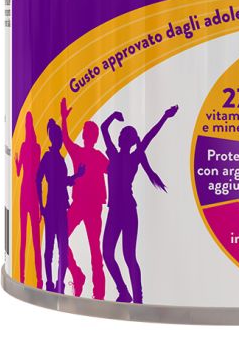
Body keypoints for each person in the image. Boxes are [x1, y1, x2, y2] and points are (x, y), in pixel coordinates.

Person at [101, 105, 178, 303]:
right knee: (108, 254)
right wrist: (113, 115)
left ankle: (137, 298)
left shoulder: (132, 157)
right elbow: (103, 128)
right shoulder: (115, 154)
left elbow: (149, 136)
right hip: (116, 211)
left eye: (124, 135)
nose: (120, 137)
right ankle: (124, 292)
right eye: (121, 135)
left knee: (128, 256)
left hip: (127, 210)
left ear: (128, 141)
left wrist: (165, 117)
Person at [60, 97, 109, 299]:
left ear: (92, 137)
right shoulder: (82, 154)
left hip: (91, 206)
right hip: (80, 205)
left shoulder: (97, 157)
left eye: (89, 134)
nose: (87, 136)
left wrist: (64, 119)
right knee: (64, 237)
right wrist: (63, 118)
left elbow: (114, 171)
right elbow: (65, 139)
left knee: (95, 250)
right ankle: (78, 276)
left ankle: (99, 294)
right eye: (87, 133)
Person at [36, 118, 84, 293]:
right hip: (53, 208)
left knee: (61, 249)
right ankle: (50, 282)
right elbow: (39, 179)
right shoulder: (49, 157)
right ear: (54, 139)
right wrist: (41, 205)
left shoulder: (59, 158)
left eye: (61, 138)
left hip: (59, 208)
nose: (61, 141)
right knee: (51, 248)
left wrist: (77, 176)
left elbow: (62, 181)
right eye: (59, 138)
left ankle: (58, 283)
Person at [15, 112, 42, 288]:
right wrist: (40, 204)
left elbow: (19, 171)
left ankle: (22, 275)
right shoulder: (37, 147)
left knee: (24, 238)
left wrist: (17, 160)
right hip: (32, 193)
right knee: (35, 238)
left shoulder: (25, 147)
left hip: (25, 192)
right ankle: (38, 278)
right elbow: (38, 175)